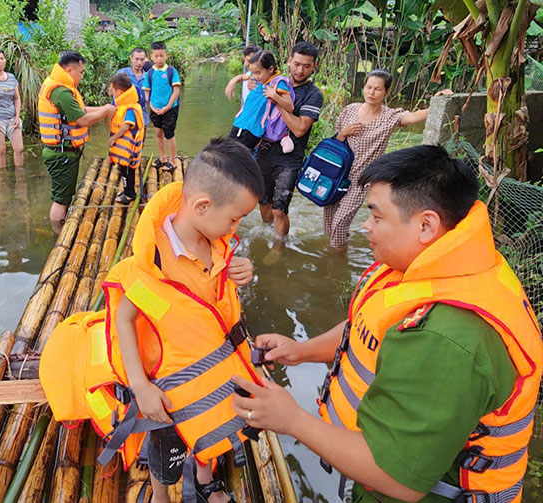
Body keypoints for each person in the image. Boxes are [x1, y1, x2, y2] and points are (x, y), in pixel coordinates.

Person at [231, 145, 543, 503]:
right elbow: (363, 327)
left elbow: (397, 478)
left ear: (426, 225)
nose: (366, 226)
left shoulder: (449, 338)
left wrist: (292, 420)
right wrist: (301, 351)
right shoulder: (436, 262)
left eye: (376, 216)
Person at [40, 138, 266, 503]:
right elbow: (124, 321)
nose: (235, 227)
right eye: (235, 219)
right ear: (203, 206)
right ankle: (160, 493)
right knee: (167, 447)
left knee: (216, 422)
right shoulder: (152, 266)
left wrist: (243, 270)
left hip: (215, 371)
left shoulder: (217, 242)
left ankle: (206, 478)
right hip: (170, 382)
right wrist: (141, 385)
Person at [324, 69, 453, 249]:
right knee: (329, 223)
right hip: (337, 175)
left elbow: (412, 117)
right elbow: (334, 141)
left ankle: (335, 263)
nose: (371, 92)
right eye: (368, 87)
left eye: (377, 89)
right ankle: (336, 251)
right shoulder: (349, 110)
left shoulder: (389, 116)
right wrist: (343, 133)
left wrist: (435, 105)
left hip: (361, 180)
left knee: (340, 222)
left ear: (387, 92)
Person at [38, 51, 115, 230]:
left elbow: (80, 110)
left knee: (63, 196)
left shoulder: (56, 85)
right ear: (70, 69)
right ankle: (58, 233)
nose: (81, 76)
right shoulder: (61, 92)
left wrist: (103, 107)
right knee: (61, 200)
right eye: (80, 72)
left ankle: (59, 227)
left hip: (61, 152)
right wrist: (104, 112)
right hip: (61, 154)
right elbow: (83, 120)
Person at [256, 41, 324, 238]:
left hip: (290, 159)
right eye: (296, 64)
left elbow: (300, 128)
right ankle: (270, 233)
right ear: (289, 61)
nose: (300, 70)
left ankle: (279, 247)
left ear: (314, 66)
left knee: (279, 209)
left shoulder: (314, 94)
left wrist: (278, 101)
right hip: (265, 152)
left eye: (307, 66)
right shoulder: (275, 81)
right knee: (264, 204)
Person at [227, 50, 291, 151]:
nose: (255, 76)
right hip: (240, 122)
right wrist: (233, 82)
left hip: (254, 129)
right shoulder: (259, 78)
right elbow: (243, 77)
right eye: (253, 73)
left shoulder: (278, 82)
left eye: (258, 73)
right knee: (226, 151)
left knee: (237, 155)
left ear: (270, 69)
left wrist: (275, 96)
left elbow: (290, 106)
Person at [107, 72, 145, 203]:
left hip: (128, 151)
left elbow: (127, 126)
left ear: (118, 91)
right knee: (125, 172)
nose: (109, 90)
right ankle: (128, 190)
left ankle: (129, 194)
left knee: (127, 173)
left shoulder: (129, 108)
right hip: (125, 151)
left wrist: (114, 138)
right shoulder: (124, 105)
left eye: (111, 88)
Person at [144, 41, 181, 172]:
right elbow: (147, 91)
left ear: (166, 56)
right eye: (156, 56)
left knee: (169, 134)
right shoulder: (150, 73)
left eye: (161, 55)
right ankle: (162, 158)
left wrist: (168, 106)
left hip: (170, 109)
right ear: (151, 57)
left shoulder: (171, 71)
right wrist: (152, 106)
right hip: (155, 108)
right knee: (158, 133)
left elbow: (176, 90)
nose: (159, 59)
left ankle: (172, 161)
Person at [116, 48, 150, 127]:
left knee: (140, 139)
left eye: (142, 60)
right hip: (123, 117)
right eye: (136, 59)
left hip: (142, 117)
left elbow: (150, 97)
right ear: (131, 59)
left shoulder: (148, 77)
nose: (139, 63)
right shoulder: (122, 73)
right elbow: (112, 94)